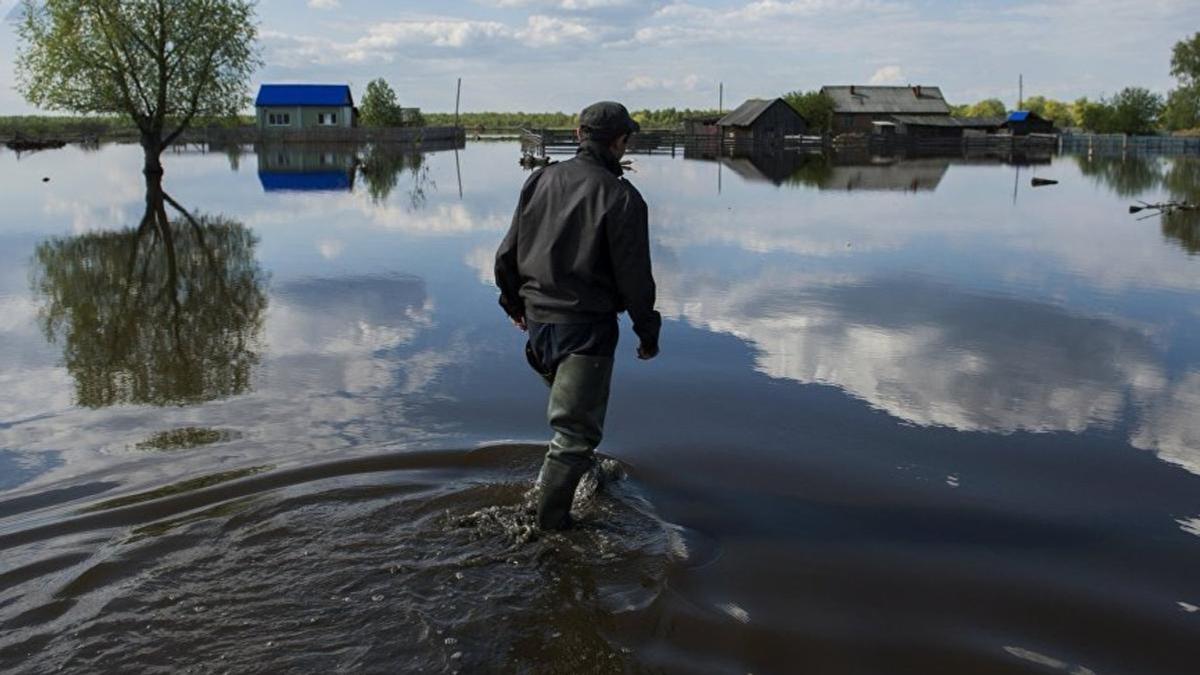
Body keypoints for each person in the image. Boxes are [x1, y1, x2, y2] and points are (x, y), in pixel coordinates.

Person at [494, 101, 661, 531]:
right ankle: (546, 530)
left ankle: (581, 479)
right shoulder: (623, 197)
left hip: (538, 327)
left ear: (578, 132)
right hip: (585, 332)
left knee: (573, 422)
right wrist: (648, 331)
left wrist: (514, 305)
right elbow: (635, 279)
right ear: (620, 142)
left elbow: (507, 254)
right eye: (627, 140)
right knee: (575, 435)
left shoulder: (539, 179)